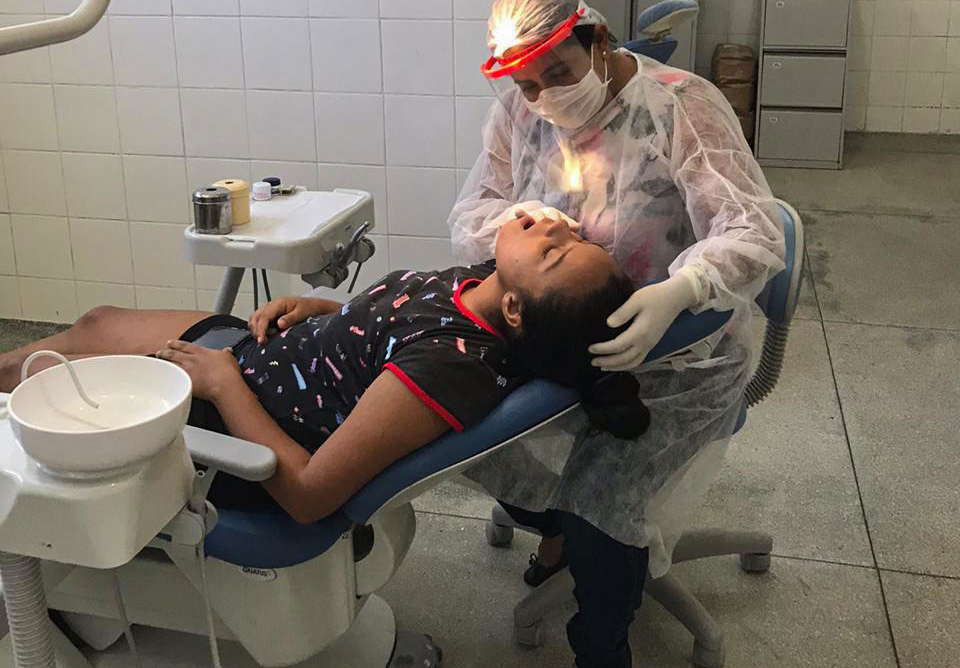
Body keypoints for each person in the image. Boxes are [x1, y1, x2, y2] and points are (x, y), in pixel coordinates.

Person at [450, 0, 785, 668]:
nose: (545, 97)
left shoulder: (680, 106)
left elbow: (754, 231)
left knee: (603, 496)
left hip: (681, 354)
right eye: (526, 84)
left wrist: (681, 291)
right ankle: (557, 532)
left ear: (598, 40)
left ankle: (602, 665)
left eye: (559, 73)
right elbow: (469, 217)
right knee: (463, 430)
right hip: (560, 340)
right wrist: (515, 220)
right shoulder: (521, 113)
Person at [0, 215, 647, 523]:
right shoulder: (479, 283)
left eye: (556, 254)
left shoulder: (451, 368)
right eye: (577, 239)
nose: (555, 229)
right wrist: (329, 313)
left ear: (514, 309)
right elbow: (397, 329)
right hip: (255, 356)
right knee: (95, 322)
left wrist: (223, 384)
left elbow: (309, 495)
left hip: (231, 421)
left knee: (44, 378)